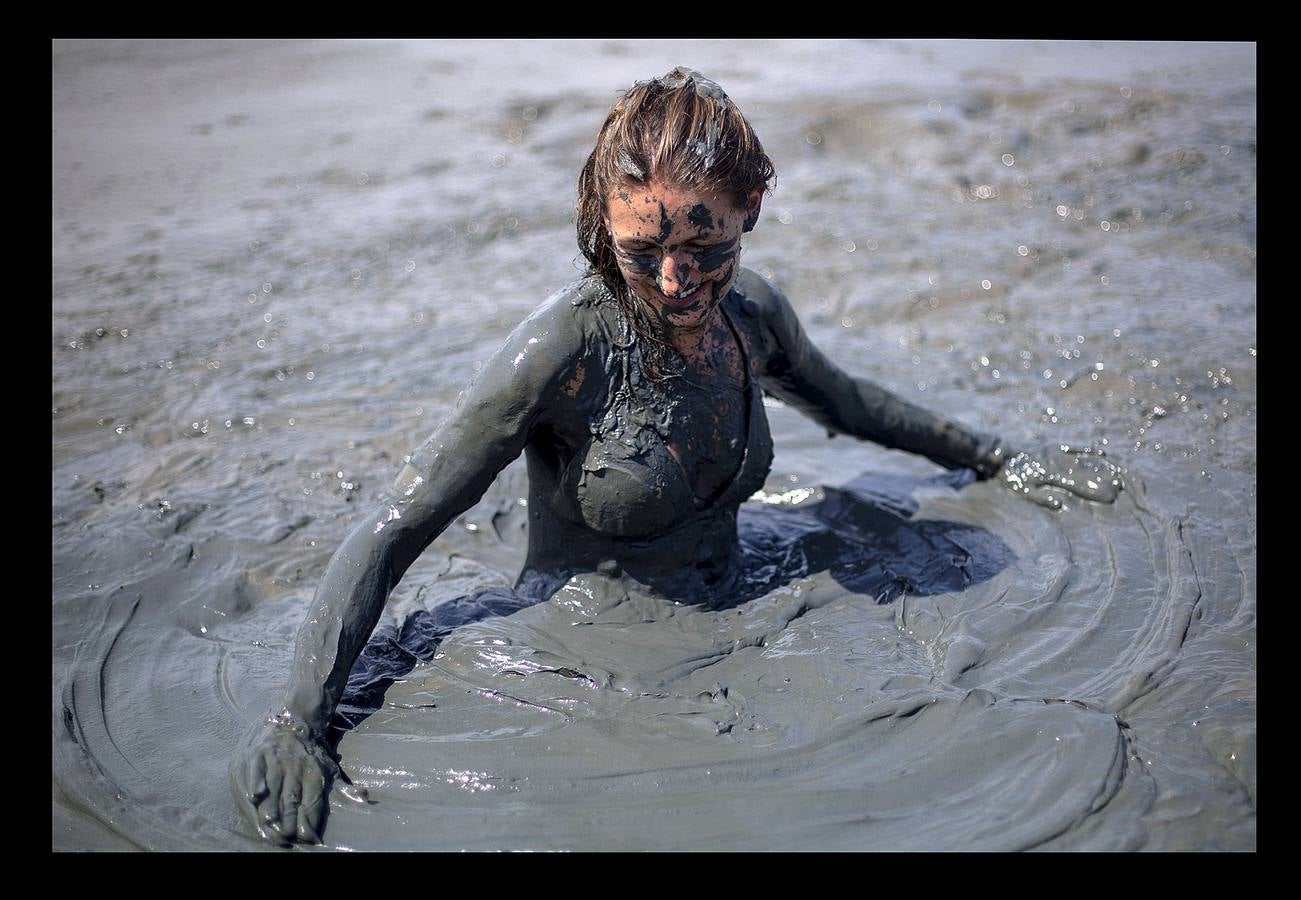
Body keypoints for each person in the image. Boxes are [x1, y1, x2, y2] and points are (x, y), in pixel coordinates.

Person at [231, 66, 1121, 846]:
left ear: (752, 210)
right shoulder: (559, 354)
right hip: (574, 656)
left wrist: (1000, 459)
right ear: (598, 221)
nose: (674, 281)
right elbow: (395, 525)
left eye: (707, 246)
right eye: (641, 250)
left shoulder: (753, 317)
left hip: (736, 610)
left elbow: (850, 405)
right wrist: (298, 721)